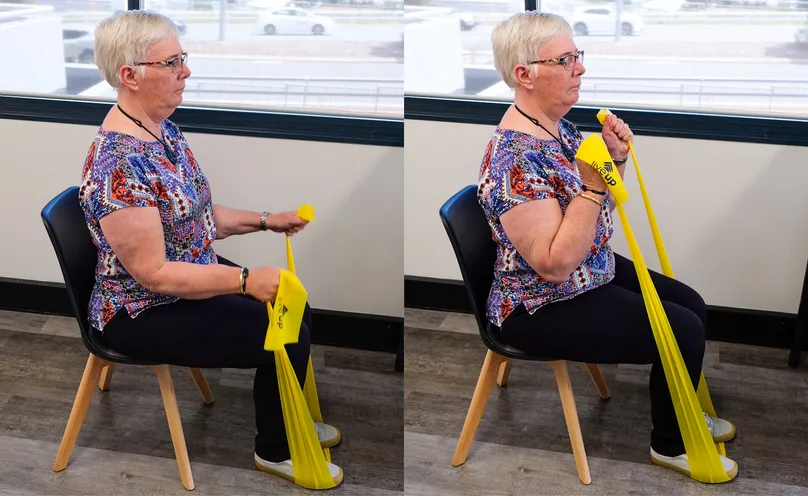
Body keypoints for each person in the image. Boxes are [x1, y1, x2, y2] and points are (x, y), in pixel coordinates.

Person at [77, 10, 343, 488]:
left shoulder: (161, 129)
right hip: (140, 309)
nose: (186, 71)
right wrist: (244, 280)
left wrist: (266, 220)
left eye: (183, 58)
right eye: (171, 63)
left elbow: (194, 214)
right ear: (130, 76)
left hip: (182, 277)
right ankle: (276, 448)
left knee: (296, 307)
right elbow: (154, 273)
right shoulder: (117, 164)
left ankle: (286, 417)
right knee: (281, 331)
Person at [476, 11, 738, 481]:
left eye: (577, 55)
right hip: (540, 302)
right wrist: (594, 186)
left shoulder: (559, 128)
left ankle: (681, 411)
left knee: (693, 306)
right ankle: (671, 443)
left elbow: (597, 212)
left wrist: (614, 162)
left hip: (589, 268)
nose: (580, 68)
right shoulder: (512, 160)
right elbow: (554, 264)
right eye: (565, 60)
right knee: (682, 331)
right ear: (524, 74)